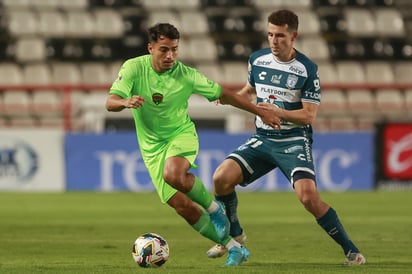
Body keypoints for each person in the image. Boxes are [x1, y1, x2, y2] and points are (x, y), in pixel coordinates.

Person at [105, 23, 280, 266]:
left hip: (181, 135)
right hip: (151, 148)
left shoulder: (186, 75)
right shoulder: (134, 68)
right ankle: (235, 248)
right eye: (164, 50)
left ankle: (215, 210)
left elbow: (225, 95)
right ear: (150, 48)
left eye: (175, 50)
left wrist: (260, 111)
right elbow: (110, 102)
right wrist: (125, 101)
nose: (170, 56)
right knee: (183, 207)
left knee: (173, 173)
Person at [206, 9, 366, 266]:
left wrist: (277, 112)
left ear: (294, 36)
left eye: (280, 35)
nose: (273, 41)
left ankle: (352, 251)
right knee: (221, 178)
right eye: (270, 34)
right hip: (263, 137)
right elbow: (249, 91)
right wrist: (229, 97)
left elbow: (309, 116)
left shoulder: (307, 69)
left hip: (293, 140)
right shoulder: (257, 60)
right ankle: (234, 234)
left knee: (308, 198)